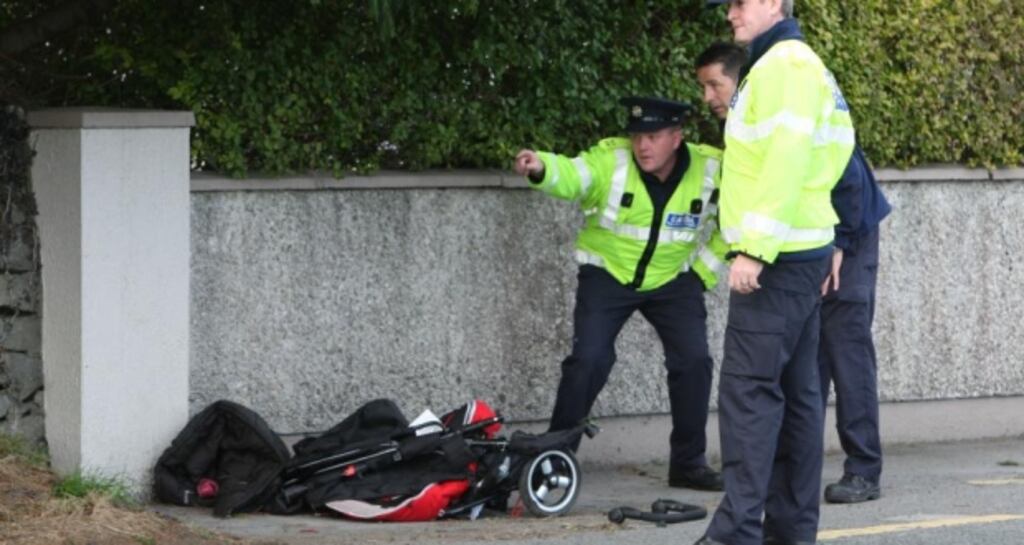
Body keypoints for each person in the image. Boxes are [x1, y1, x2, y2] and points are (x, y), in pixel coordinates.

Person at [695, 39, 892, 507]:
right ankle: (792, 481)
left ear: (740, 80)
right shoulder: (755, 109)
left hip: (847, 236)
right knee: (806, 371)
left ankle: (864, 469)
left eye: (715, 85)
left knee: (845, 349)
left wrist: (840, 245)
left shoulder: (780, 91)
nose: (709, 97)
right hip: (809, 244)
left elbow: (845, 173)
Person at [513, 96, 730, 491]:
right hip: (608, 275)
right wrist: (542, 167)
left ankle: (688, 464)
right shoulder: (612, 161)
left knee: (694, 361)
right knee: (589, 360)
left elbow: (735, 222)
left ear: (676, 137)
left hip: (673, 279)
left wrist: (701, 274)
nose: (642, 146)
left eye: (652, 136)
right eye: (636, 136)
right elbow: (575, 174)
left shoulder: (712, 168)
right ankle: (554, 461)